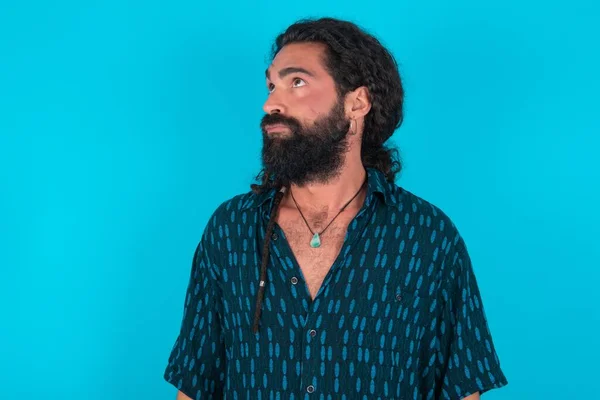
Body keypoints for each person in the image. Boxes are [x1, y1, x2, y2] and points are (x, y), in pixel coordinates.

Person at [163, 17, 508, 400]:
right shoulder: (231, 229)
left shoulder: (428, 237)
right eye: (272, 85)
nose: (271, 103)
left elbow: (461, 388)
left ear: (356, 103)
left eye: (297, 82)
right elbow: (196, 384)